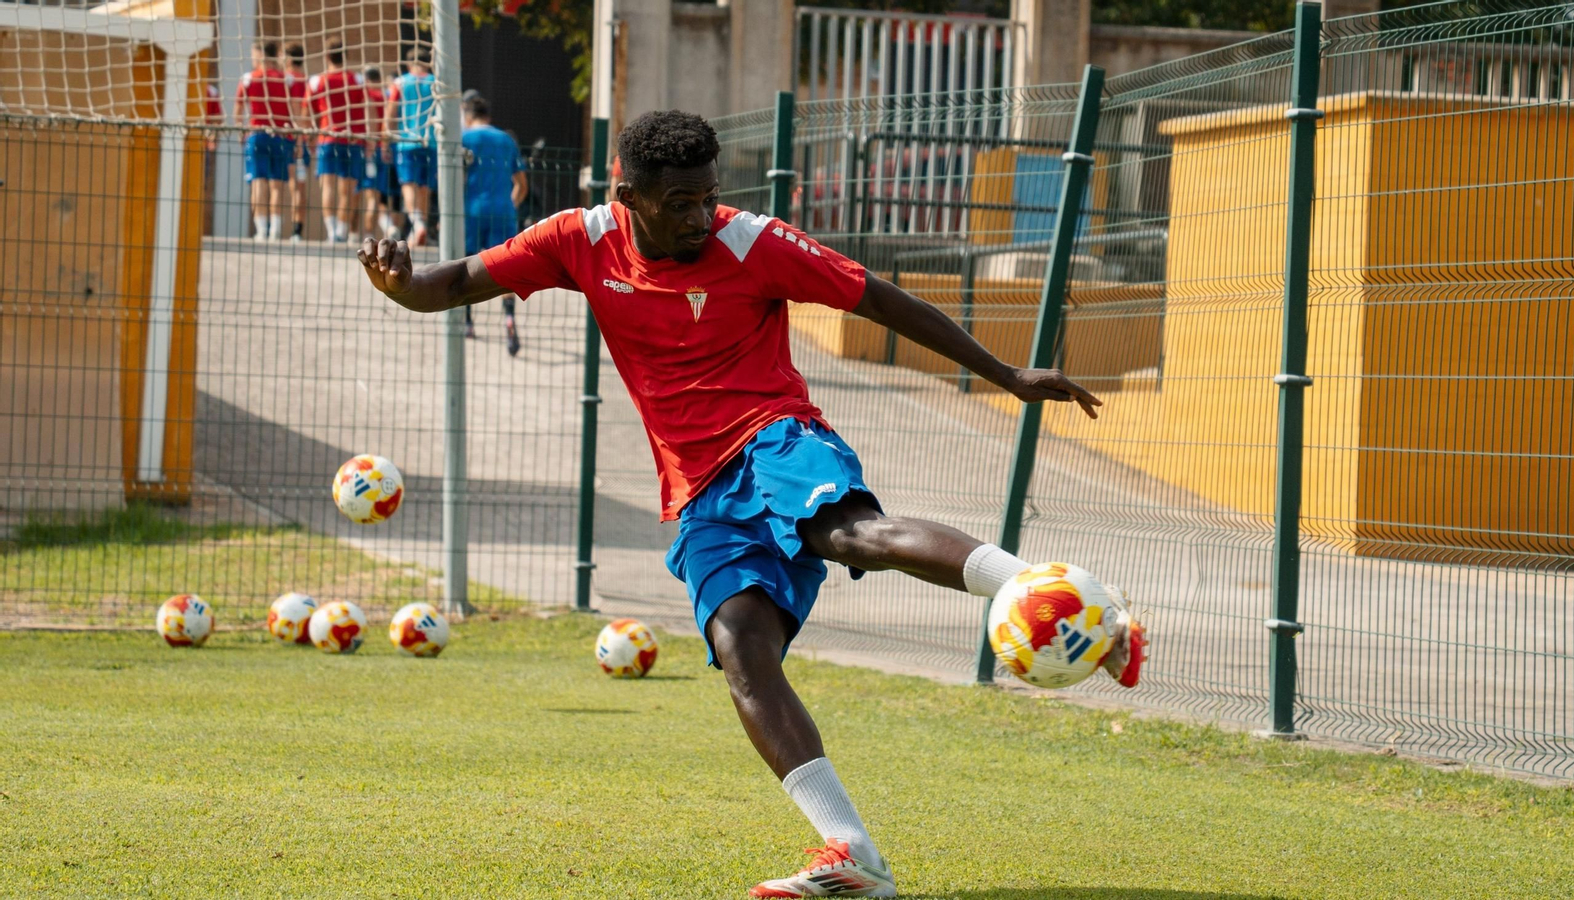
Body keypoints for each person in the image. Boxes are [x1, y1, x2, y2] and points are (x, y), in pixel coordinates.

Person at [357, 110, 1141, 899]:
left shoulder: (752, 242)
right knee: (741, 650)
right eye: (680, 203)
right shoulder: (578, 239)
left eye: (709, 196)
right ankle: (854, 853)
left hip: (775, 436)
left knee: (850, 533)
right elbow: (452, 283)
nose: (701, 217)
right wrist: (399, 285)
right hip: (697, 487)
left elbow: (880, 301)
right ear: (630, 195)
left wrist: (1004, 373)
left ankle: (1058, 594)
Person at [458, 92, 528, 354]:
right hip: (503, 210)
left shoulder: (464, 138)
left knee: (465, 265)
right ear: (488, 116)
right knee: (504, 269)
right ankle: (508, 317)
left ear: (468, 116)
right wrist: (510, 204)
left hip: (472, 209)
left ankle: (466, 321)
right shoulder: (506, 140)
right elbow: (522, 184)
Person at [303, 39, 367, 244]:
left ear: (326, 56)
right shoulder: (357, 79)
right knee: (346, 190)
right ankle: (341, 230)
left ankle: (332, 232)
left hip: (327, 138)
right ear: (345, 55)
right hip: (352, 139)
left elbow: (306, 111)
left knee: (328, 186)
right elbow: (370, 109)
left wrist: (309, 136)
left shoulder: (317, 81)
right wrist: (371, 139)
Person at [233, 40, 293, 242]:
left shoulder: (249, 78)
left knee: (258, 183)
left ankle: (261, 231)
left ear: (259, 54)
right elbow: (292, 109)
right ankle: (275, 230)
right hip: (279, 135)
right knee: (277, 186)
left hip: (257, 135)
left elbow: (238, 110)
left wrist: (242, 131)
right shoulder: (286, 79)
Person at [385, 49, 437, 246]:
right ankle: (418, 229)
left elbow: (390, 113)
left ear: (408, 64)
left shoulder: (400, 82)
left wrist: (385, 139)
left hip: (406, 141)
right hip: (430, 141)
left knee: (408, 184)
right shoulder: (435, 82)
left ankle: (417, 224)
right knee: (425, 187)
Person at [358, 66, 396, 242]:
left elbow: (371, 123)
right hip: (385, 150)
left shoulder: (368, 97)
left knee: (370, 197)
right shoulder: (387, 96)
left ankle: (368, 235)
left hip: (370, 150)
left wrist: (371, 146)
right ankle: (387, 228)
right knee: (379, 196)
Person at [283, 43, 312, 242]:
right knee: (298, 186)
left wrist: (298, 140)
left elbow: (297, 111)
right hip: (302, 139)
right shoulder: (308, 81)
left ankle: (294, 231)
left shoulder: (292, 80)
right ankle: (297, 230)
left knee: (293, 187)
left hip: (293, 140)